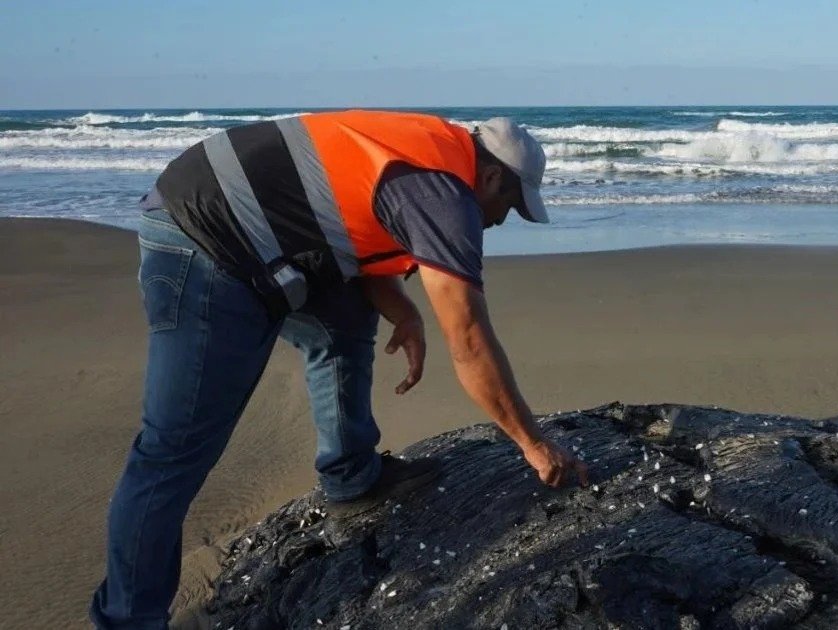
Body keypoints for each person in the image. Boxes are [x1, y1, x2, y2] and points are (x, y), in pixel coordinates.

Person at [89, 111, 589, 629]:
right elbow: (468, 340)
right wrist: (533, 442)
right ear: (490, 177)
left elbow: (340, 217)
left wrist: (402, 308)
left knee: (344, 319)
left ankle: (351, 475)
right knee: (173, 451)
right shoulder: (443, 192)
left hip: (260, 229)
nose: (503, 220)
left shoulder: (429, 154)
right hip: (204, 237)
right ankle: (130, 620)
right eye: (510, 204)